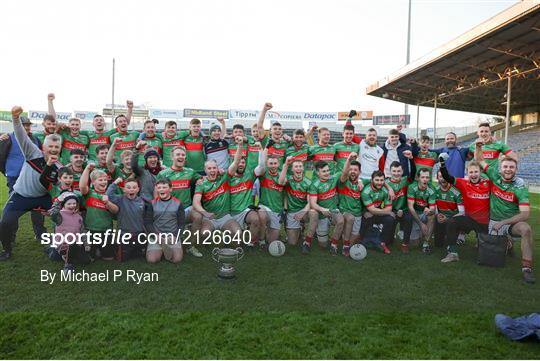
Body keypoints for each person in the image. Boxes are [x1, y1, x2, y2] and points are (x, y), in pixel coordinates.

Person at [0, 106, 62, 261]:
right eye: (50, 147)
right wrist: (15, 117)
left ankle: (57, 247)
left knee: (63, 218)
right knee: (5, 223)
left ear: (60, 149)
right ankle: (7, 250)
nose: (53, 149)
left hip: (42, 198)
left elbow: (58, 188)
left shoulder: (60, 167)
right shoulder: (32, 152)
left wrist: (54, 208)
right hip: (21, 196)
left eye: (56, 147)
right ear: (44, 147)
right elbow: (21, 136)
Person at [474, 142, 535, 284]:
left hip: (510, 222)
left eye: (511, 167)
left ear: (516, 169)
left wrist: (504, 223)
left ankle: (526, 269)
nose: (508, 169)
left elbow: (525, 215)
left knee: (526, 229)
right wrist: (478, 147)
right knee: (490, 256)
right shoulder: (494, 175)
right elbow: (480, 160)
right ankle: (508, 243)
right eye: (505, 167)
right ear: (500, 168)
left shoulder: (520, 186)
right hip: (494, 221)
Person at [0, 116, 46, 242]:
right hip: (15, 178)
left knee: (37, 208)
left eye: (28, 125)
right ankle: (11, 237)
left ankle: (40, 235)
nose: (26, 127)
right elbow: (1, 156)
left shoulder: (35, 139)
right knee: (14, 210)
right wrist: (8, 172)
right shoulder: (7, 137)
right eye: (23, 125)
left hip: (32, 178)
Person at [439, 158, 491, 263]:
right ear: (467, 173)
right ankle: (453, 253)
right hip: (469, 219)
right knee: (452, 222)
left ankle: (506, 245)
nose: (473, 174)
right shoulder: (463, 183)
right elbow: (447, 177)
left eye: (476, 171)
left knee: (489, 252)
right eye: (471, 172)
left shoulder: (488, 184)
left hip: (485, 222)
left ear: (480, 172)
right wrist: (443, 164)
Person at [157, 146, 204, 257]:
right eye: (178, 154)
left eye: (183, 155)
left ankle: (190, 246)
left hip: (186, 209)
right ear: (172, 157)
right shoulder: (163, 174)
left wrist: (199, 180)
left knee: (198, 216)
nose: (181, 157)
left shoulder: (190, 172)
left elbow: (201, 179)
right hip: (170, 211)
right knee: (172, 251)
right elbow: (158, 194)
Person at [192, 137, 244, 235]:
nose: (212, 170)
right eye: (209, 168)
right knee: (204, 234)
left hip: (225, 217)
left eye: (214, 168)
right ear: (205, 170)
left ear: (217, 168)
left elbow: (236, 162)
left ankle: (225, 235)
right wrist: (205, 213)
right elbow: (196, 202)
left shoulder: (224, 177)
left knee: (238, 233)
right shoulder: (201, 183)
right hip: (209, 218)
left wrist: (240, 145)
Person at [106, 178, 154, 261]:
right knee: (122, 259)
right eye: (128, 187)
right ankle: (117, 248)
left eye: (134, 187)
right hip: (125, 234)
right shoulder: (120, 199)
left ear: (138, 189)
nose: (131, 189)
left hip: (139, 234)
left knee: (141, 255)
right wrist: (115, 182)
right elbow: (108, 195)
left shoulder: (142, 201)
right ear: (124, 189)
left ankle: (138, 249)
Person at [229, 142, 267, 247]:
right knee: (235, 244)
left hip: (246, 210)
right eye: (239, 162)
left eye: (243, 163)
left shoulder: (249, 175)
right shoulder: (227, 177)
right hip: (231, 213)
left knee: (255, 219)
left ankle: (251, 243)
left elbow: (262, 167)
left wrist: (260, 150)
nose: (241, 164)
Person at [79, 163, 118, 260]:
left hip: (107, 230)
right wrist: (87, 168)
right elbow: (82, 186)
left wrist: (108, 203)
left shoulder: (110, 194)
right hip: (91, 230)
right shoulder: (90, 193)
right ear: (93, 182)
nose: (104, 182)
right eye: (100, 180)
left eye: (105, 180)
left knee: (108, 258)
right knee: (91, 258)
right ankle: (95, 250)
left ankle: (101, 250)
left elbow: (116, 211)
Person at [278, 157, 317, 248]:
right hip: (292, 211)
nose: (298, 168)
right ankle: (300, 228)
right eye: (296, 166)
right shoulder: (289, 179)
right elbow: (280, 182)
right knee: (292, 243)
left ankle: (307, 242)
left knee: (314, 213)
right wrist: (286, 165)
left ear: (303, 168)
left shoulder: (308, 181)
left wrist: (302, 213)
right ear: (292, 169)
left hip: (305, 211)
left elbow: (310, 202)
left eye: (300, 166)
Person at [308, 161, 345, 255]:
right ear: (317, 173)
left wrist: (349, 160)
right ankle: (317, 233)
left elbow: (345, 172)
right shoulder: (314, 185)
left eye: (328, 170)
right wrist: (322, 209)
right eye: (324, 171)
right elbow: (312, 203)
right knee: (323, 245)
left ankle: (334, 244)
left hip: (333, 210)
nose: (327, 173)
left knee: (341, 221)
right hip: (322, 214)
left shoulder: (334, 177)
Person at [146, 179, 185, 264]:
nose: (161, 189)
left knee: (177, 259)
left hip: (172, 235)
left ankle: (165, 248)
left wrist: (175, 236)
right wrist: (156, 236)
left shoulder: (178, 203)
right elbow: (148, 223)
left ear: (170, 189)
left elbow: (181, 224)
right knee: (151, 260)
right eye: (159, 187)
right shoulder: (152, 204)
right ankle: (162, 248)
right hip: (157, 235)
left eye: (164, 187)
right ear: (156, 190)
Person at [338, 154, 367, 256]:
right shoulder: (343, 182)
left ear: (360, 172)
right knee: (349, 221)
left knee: (355, 236)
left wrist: (389, 188)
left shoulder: (364, 182)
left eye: (355, 170)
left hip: (358, 214)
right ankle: (345, 245)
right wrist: (349, 159)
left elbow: (378, 179)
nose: (353, 171)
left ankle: (346, 244)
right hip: (344, 212)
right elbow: (344, 174)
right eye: (351, 169)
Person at [360, 170, 394, 254]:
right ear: (372, 180)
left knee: (390, 219)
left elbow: (389, 209)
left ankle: (383, 242)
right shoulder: (366, 191)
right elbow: (372, 210)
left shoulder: (386, 191)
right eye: (377, 180)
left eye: (382, 180)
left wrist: (386, 212)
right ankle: (363, 240)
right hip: (365, 211)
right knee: (367, 216)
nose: (379, 182)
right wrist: (387, 212)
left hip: (379, 211)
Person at [386, 161, 415, 253]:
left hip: (404, 210)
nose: (396, 173)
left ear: (402, 172)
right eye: (394, 171)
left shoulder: (406, 180)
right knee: (389, 241)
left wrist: (411, 159)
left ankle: (405, 244)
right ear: (390, 171)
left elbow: (414, 172)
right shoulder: (385, 183)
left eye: (399, 171)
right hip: (391, 210)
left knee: (409, 218)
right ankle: (389, 238)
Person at [407, 168, 436, 253]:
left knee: (432, 216)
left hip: (424, 214)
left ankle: (426, 244)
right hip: (415, 215)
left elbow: (432, 208)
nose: (425, 179)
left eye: (427, 177)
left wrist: (429, 210)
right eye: (423, 177)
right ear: (418, 178)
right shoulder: (412, 187)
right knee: (414, 244)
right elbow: (410, 207)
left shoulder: (432, 189)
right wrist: (420, 224)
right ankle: (422, 232)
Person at [433, 171, 464, 248]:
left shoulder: (456, 192)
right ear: (437, 178)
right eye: (440, 177)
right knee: (438, 245)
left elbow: (462, 212)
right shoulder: (434, 190)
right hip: (441, 217)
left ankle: (456, 236)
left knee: (450, 242)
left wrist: (448, 219)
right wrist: (437, 215)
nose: (443, 179)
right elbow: (434, 206)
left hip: (453, 220)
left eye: (445, 177)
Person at [257, 103, 289, 168]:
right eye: (275, 129)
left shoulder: (285, 143)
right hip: (266, 175)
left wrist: (290, 139)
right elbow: (259, 126)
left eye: (280, 129)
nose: (277, 130)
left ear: (282, 132)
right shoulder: (266, 141)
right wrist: (264, 110)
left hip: (279, 175)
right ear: (270, 131)